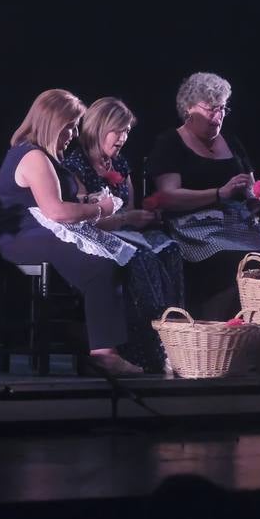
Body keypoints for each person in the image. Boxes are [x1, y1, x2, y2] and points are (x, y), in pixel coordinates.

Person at [0, 89, 140, 376]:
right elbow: (56, 211)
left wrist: (87, 202)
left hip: (40, 228)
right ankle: (103, 353)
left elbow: (60, 204)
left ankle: (95, 336)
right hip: (22, 235)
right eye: (69, 126)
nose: (73, 133)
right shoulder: (32, 156)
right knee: (100, 267)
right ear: (51, 122)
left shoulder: (46, 156)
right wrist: (101, 209)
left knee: (118, 260)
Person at [145, 72, 260, 320]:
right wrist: (219, 194)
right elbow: (167, 197)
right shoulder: (170, 143)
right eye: (210, 109)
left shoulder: (231, 141)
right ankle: (217, 335)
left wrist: (258, 200)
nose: (218, 116)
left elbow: (250, 190)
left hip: (235, 225)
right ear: (189, 109)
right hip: (194, 230)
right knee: (232, 262)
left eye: (222, 109)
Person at [61, 97, 181, 373]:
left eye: (127, 131)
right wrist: (128, 219)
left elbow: (128, 208)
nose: (123, 138)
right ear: (99, 127)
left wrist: (145, 216)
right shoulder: (75, 165)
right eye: (118, 130)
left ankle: (175, 337)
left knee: (171, 249)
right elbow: (83, 219)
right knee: (142, 257)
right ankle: (147, 348)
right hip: (92, 235)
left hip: (123, 231)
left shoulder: (120, 164)